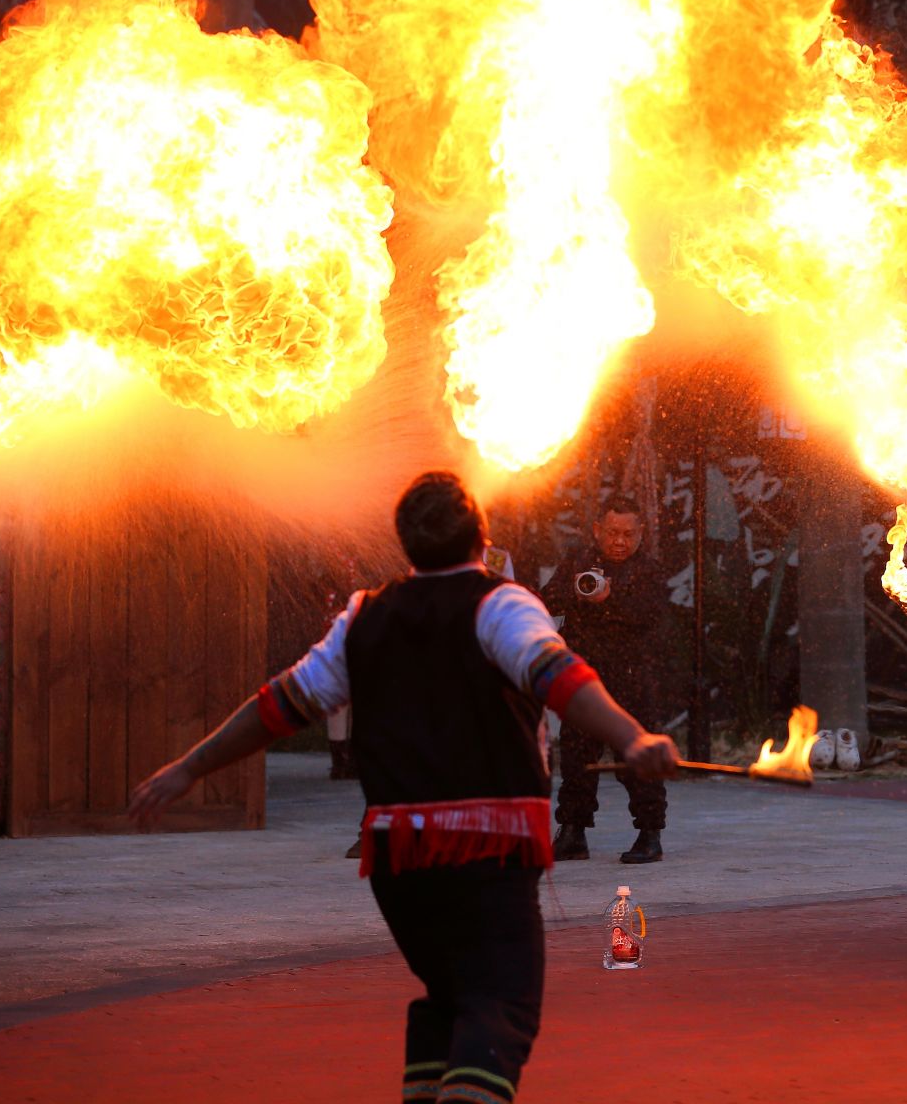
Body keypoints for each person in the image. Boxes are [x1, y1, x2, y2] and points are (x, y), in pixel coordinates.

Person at [130, 471, 678, 1104]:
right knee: (500, 1005)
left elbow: (278, 705)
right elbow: (560, 677)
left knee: (448, 999)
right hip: (488, 850)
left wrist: (189, 767)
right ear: (483, 535)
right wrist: (632, 737)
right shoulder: (501, 604)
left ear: (405, 543)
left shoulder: (364, 616)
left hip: (400, 858)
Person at [544, 496, 677, 864]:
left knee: (637, 755)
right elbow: (547, 600)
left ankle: (650, 833)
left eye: (628, 534)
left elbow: (650, 615)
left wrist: (610, 598)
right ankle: (573, 831)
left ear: (641, 533)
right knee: (576, 757)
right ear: (597, 530)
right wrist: (575, 590)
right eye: (613, 532)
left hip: (631, 679)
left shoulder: (648, 570)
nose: (620, 541)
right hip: (584, 678)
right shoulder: (578, 562)